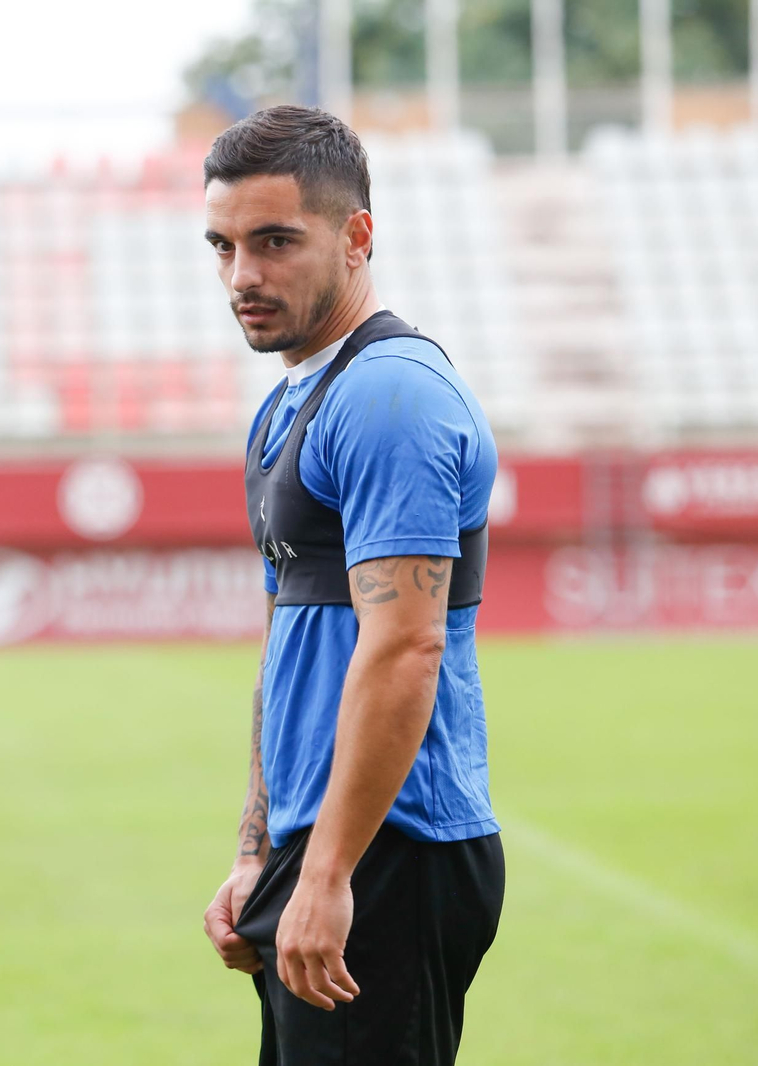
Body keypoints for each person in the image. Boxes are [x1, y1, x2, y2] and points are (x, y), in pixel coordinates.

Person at [199, 105, 505, 1065]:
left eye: (275, 242)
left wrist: (326, 872)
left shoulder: (390, 394)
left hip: (391, 847)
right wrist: (261, 851)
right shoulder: (293, 400)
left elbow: (406, 646)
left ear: (357, 237)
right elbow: (288, 640)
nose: (243, 275)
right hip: (324, 840)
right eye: (223, 245)